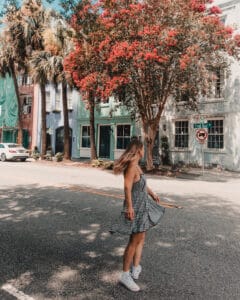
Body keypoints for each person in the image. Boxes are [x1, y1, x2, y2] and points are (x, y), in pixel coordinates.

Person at [110, 137, 181, 292]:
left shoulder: (137, 166)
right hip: (135, 207)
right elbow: (127, 188)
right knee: (133, 241)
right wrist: (129, 207)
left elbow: (142, 184)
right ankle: (125, 275)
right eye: (142, 148)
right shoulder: (131, 167)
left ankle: (136, 268)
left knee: (141, 238)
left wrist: (152, 194)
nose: (144, 150)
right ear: (139, 150)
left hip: (143, 206)